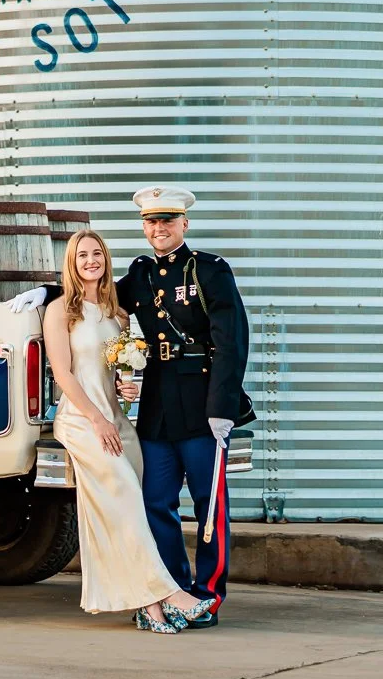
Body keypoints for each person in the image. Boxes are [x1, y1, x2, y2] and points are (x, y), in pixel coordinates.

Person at [13, 186, 253, 628]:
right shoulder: (142, 273)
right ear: (144, 228)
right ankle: (169, 587)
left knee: (208, 506)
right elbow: (96, 297)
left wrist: (223, 408)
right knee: (155, 502)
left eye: (167, 221)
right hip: (159, 409)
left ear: (184, 224)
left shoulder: (210, 271)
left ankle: (208, 596)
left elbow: (232, 341)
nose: (159, 229)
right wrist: (46, 293)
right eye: (151, 222)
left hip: (203, 407)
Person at [42, 226, 215, 632]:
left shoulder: (117, 314)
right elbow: (65, 375)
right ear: (72, 262)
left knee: (133, 502)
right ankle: (169, 594)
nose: (90, 261)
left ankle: (146, 604)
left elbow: (114, 370)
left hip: (116, 417)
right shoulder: (60, 311)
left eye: (96, 254)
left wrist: (126, 387)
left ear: (105, 260)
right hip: (82, 420)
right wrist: (98, 420)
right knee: (121, 491)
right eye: (82, 255)